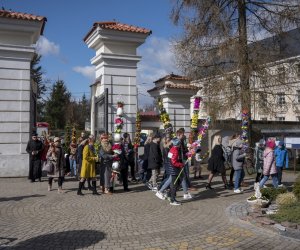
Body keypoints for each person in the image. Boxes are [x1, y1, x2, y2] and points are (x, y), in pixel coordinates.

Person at [168, 138, 185, 205]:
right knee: (175, 184)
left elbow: (170, 159)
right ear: (178, 144)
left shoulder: (172, 149)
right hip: (174, 169)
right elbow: (174, 162)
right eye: (180, 144)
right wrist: (181, 164)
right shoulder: (175, 150)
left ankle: (170, 195)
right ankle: (172, 200)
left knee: (175, 183)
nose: (180, 145)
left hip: (172, 168)